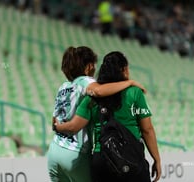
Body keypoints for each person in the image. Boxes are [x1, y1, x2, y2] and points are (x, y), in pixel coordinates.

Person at [54, 51, 161, 182]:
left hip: (101, 161)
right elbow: (147, 130)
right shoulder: (134, 93)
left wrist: (58, 126)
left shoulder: (91, 98)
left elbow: (74, 127)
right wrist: (157, 159)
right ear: (124, 70)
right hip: (131, 158)